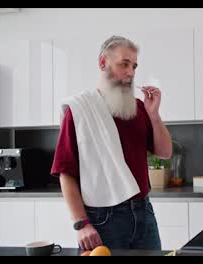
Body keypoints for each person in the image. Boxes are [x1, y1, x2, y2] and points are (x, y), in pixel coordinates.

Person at [51, 35, 172, 250]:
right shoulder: (79, 110)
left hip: (144, 211)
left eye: (134, 66)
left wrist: (154, 114)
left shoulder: (138, 107)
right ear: (102, 63)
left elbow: (164, 152)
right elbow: (66, 173)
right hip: (102, 219)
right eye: (124, 64)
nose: (131, 73)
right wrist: (81, 224)